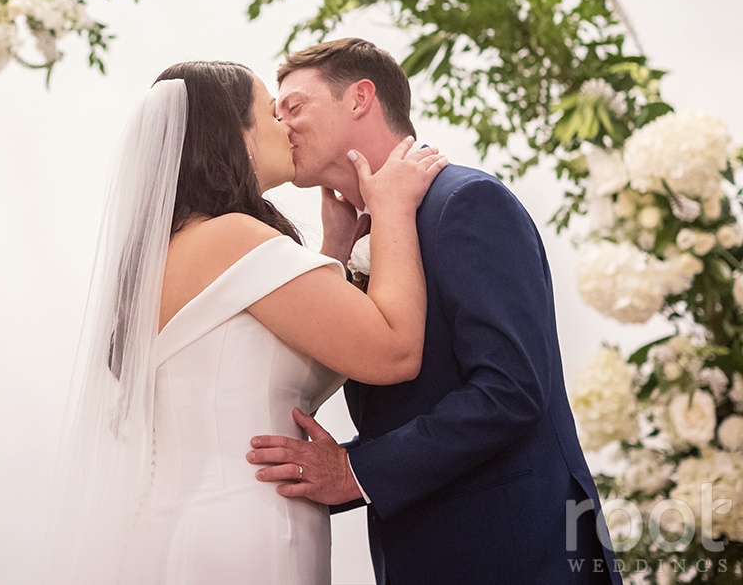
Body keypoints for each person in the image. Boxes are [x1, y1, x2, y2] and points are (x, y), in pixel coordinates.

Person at [49, 60, 447, 585]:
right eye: (270, 112)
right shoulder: (231, 237)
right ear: (237, 137)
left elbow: (280, 365)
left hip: (188, 522)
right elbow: (393, 351)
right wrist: (391, 208)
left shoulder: (175, 248)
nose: (285, 125)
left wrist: (334, 251)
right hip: (247, 528)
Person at [247, 38, 621, 584]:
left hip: (515, 553)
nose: (282, 126)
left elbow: (511, 390)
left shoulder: (465, 202)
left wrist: (355, 470)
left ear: (360, 98)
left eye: (294, 107)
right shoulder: (359, 235)